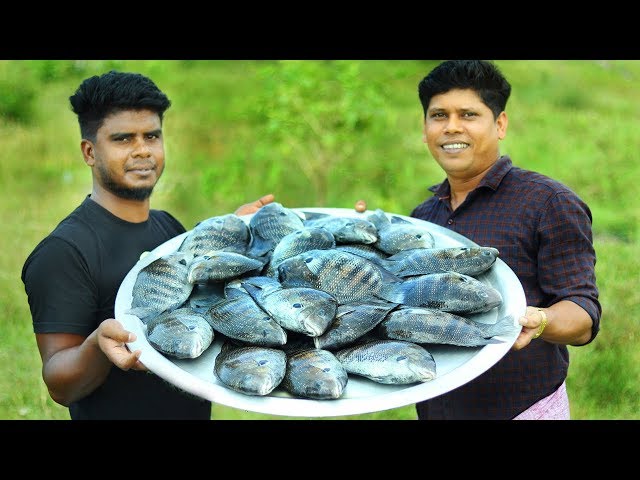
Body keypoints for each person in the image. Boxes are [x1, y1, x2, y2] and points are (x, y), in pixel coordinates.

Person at [21, 70, 275, 420]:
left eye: (151, 136)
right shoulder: (65, 250)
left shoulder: (167, 226)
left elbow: (202, 295)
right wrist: (98, 344)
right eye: (123, 139)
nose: (142, 150)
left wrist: (234, 229)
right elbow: (59, 383)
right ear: (90, 152)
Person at [406, 60, 601, 419]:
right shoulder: (424, 218)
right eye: (438, 116)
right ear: (424, 129)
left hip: (524, 409)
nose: (451, 127)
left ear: (500, 124)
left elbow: (583, 315)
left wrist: (539, 320)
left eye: (468, 114)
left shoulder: (547, 202)